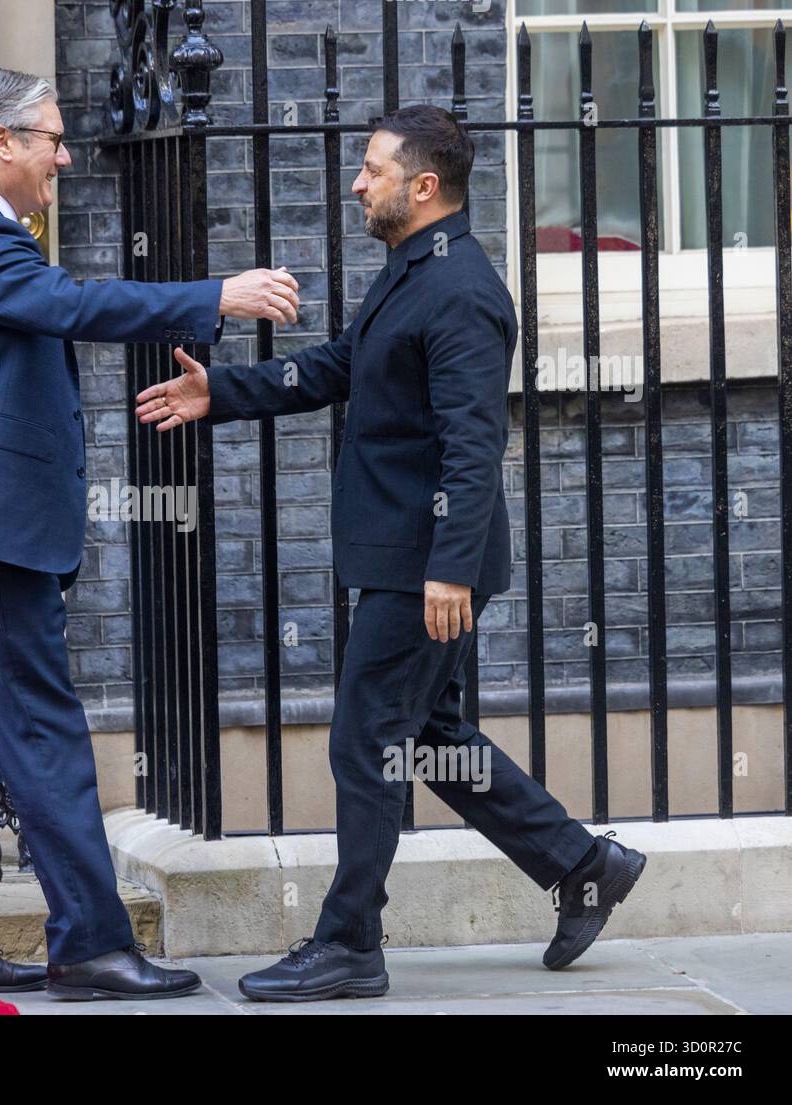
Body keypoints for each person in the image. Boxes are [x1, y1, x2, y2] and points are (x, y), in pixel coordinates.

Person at [135, 104, 646, 1001]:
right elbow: (339, 365)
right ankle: (583, 865)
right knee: (431, 731)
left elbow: (471, 442)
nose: (357, 183)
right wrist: (222, 392)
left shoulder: (462, 293)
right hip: (408, 560)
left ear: (422, 186)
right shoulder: (415, 272)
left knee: (365, 740)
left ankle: (349, 943)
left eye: (371, 169)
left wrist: (447, 568)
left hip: (425, 569)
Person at [0, 67, 299, 1000]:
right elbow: (75, 305)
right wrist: (217, 293)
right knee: (45, 730)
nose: (65, 153)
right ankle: (91, 942)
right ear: (1, 141)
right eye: (51, 137)